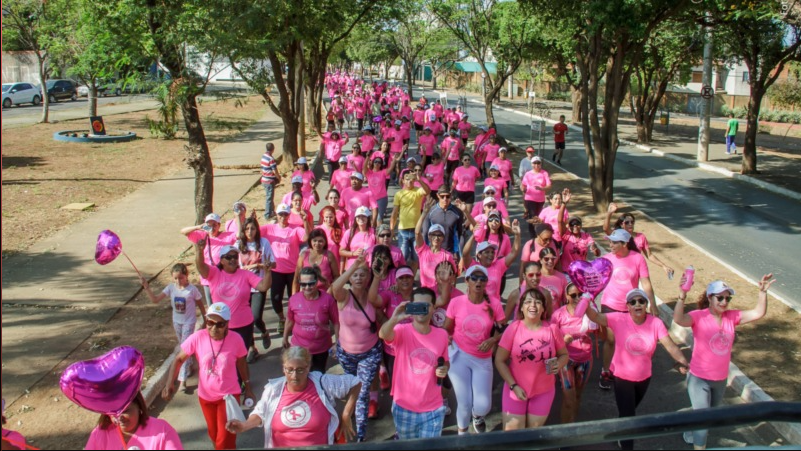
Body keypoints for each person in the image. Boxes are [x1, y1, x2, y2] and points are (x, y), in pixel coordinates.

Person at [674, 274, 775, 450]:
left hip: (720, 380)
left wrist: (762, 293)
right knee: (704, 422)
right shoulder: (699, 316)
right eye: (719, 297)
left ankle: (689, 431)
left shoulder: (732, 317)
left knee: (709, 418)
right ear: (710, 298)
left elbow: (758, 313)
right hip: (699, 379)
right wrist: (682, 295)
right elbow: (678, 319)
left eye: (727, 298)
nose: (724, 301)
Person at [583, 289, 689, 451]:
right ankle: (626, 444)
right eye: (633, 302)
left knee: (629, 410)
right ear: (628, 306)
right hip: (622, 377)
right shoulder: (618, 319)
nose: (637, 304)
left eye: (641, 301)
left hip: (644, 377)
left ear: (646, 304)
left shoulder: (655, 323)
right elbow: (595, 317)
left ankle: (622, 427)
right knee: (629, 416)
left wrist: (682, 361)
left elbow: (669, 345)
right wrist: (586, 300)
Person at [225, 346, 361, 447]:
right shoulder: (273, 390)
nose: (294, 375)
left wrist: (346, 414)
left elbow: (356, 383)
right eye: (289, 370)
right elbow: (260, 414)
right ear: (283, 368)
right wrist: (243, 426)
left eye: (300, 370)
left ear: (308, 367)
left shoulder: (322, 383)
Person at [164, 303, 255, 450]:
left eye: (219, 324)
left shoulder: (236, 339)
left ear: (227, 324)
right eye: (210, 323)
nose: (214, 328)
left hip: (229, 397)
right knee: (214, 435)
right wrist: (169, 383)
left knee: (224, 438)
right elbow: (179, 359)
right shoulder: (198, 337)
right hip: (206, 397)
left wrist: (248, 387)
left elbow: (242, 365)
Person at [379, 287, 450, 439]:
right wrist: (394, 318)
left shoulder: (442, 335)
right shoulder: (401, 330)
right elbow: (383, 334)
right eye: (417, 305)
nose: (422, 310)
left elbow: (445, 362)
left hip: (434, 409)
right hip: (404, 408)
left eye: (426, 306)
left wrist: (444, 369)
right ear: (411, 306)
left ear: (433, 308)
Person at [444, 265, 507, 435]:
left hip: (482, 358)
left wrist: (492, 340)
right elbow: (446, 328)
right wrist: (447, 337)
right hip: (459, 356)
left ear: (486, 282)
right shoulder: (456, 302)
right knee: (463, 403)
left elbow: (503, 329)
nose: (478, 282)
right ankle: (462, 435)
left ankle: (477, 416)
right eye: (474, 278)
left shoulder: (493, 304)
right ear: (467, 281)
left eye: (482, 279)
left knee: (483, 405)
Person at [495, 288, 568, 431]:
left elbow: (564, 355)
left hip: (543, 391)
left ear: (543, 309)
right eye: (528, 301)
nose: (533, 305)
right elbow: (499, 360)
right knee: (513, 432)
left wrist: (558, 365)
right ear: (521, 307)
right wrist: (513, 386)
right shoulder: (513, 328)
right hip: (516, 389)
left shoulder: (552, 329)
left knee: (532, 433)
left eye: (537, 302)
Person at [331, 255, 384, 442]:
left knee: (362, 392)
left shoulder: (371, 298)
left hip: (369, 353)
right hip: (346, 354)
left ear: (368, 278)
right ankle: (353, 411)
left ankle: (360, 437)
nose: (359, 278)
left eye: (363, 275)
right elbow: (334, 288)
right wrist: (353, 267)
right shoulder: (344, 296)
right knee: (352, 387)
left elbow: (383, 318)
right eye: (355, 275)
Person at [598, 228, 656, 390]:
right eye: (609, 241)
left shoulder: (637, 259)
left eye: (614, 242)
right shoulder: (607, 259)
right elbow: (595, 278)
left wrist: (653, 304)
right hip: (610, 305)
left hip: (631, 308)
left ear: (624, 244)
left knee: (626, 342)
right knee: (610, 340)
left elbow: (646, 283)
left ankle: (624, 372)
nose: (610, 245)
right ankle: (605, 371)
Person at [140, 263, 206, 391]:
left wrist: (205, 318)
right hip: (177, 322)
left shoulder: (192, 290)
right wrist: (146, 287)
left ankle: (183, 379)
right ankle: (190, 365)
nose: (178, 281)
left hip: (189, 322)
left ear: (186, 276)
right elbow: (155, 300)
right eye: (175, 278)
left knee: (183, 349)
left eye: (181, 278)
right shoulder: (171, 288)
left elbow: (200, 304)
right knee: (185, 347)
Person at [261, 204, 310, 337]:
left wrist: (305, 221)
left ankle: (292, 320)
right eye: (280, 214)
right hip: (276, 270)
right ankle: (282, 319)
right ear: (276, 215)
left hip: (293, 271)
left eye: (285, 214)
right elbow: (252, 233)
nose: (283, 217)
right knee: (275, 297)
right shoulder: (269, 228)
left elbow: (306, 238)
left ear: (289, 215)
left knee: (293, 298)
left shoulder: (295, 229)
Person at [551, 283, 595, 424]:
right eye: (573, 295)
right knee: (569, 400)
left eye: (580, 295)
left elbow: (604, 335)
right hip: (566, 361)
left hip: (585, 360)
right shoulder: (558, 315)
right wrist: (563, 341)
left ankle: (573, 427)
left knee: (577, 396)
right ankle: (564, 433)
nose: (577, 298)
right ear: (566, 296)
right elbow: (550, 341)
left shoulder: (589, 312)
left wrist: (595, 317)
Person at [284, 268, 340, 373]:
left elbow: (336, 322)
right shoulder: (293, 299)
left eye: (311, 284)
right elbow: (290, 320)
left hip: (321, 348)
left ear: (317, 281)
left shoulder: (328, 300)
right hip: (299, 348)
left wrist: (337, 343)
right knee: (301, 376)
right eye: (303, 284)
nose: (307, 287)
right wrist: (285, 337)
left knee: (318, 377)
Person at [86, 392, 182, 450]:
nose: (119, 417)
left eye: (126, 411)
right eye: (113, 412)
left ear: (139, 407)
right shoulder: (99, 434)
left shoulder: (162, 430)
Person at [604, 203, 674, 279]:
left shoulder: (641, 237)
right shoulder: (617, 235)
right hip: (619, 269)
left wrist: (663, 266)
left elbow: (649, 255)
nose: (630, 224)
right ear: (621, 224)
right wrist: (609, 213)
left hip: (635, 271)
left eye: (632, 222)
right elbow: (606, 229)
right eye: (627, 222)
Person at [181, 213, 237, 306]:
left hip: (223, 275)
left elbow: (239, 235)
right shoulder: (202, 235)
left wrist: (238, 217)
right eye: (209, 225)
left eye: (214, 225)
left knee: (227, 302)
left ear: (219, 225)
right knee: (212, 304)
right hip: (208, 276)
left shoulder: (227, 236)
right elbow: (183, 231)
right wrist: (198, 227)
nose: (212, 227)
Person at [460, 221, 522, 304]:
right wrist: (474, 236)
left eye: (492, 252)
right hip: (474, 308)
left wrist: (517, 235)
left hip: (493, 309)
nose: (491, 254)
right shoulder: (473, 266)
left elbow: (514, 253)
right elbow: (465, 254)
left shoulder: (499, 265)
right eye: (487, 252)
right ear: (479, 255)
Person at [391, 169, 431, 267]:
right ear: (403, 181)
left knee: (415, 257)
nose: (409, 181)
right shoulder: (399, 194)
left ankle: (411, 279)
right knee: (403, 257)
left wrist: (419, 180)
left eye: (411, 179)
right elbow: (395, 212)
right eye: (407, 179)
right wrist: (392, 229)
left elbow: (428, 191)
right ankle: (401, 277)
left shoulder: (418, 191)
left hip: (416, 230)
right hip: (402, 230)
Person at [415, 199, 457, 289]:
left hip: (441, 292)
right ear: (429, 237)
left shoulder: (448, 256)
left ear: (443, 238)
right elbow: (417, 233)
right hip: (426, 292)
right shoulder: (423, 250)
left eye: (439, 235)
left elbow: (453, 276)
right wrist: (424, 213)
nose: (436, 238)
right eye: (433, 234)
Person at [557, 190, 599, 269]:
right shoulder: (566, 235)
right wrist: (564, 203)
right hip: (567, 271)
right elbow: (559, 221)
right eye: (572, 224)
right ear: (569, 226)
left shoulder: (586, 236)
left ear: (581, 226)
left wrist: (595, 249)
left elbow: (596, 252)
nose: (575, 226)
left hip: (581, 270)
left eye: (577, 224)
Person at [421, 186, 468, 256]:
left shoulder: (457, 212)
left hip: (451, 253)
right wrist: (425, 253)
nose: (445, 199)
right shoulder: (430, 212)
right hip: (434, 252)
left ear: (451, 195)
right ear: (437, 195)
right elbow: (425, 234)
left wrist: (461, 256)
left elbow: (460, 235)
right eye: (442, 196)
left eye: (447, 196)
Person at [294, 229, 340, 293]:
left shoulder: (329, 255)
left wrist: (331, 289)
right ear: (310, 241)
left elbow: (336, 276)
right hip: (306, 294)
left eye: (320, 241)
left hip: (325, 294)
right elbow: (296, 279)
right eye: (314, 241)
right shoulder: (304, 255)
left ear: (325, 242)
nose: (317, 244)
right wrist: (293, 298)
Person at [520, 156, 551, 237]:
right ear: (531, 164)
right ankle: (534, 235)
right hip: (530, 199)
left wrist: (542, 188)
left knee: (539, 217)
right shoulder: (528, 174)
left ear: (540, 164)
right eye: (534, 163)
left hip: (540, 200)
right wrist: (523, 188)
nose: (536, 165)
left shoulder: (544, 173)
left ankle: (537, 232)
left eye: (538, 163)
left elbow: (549, 185)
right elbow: (523, 184)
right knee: (533, 216)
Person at [340, 206, 376, 271]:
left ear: (368, 218)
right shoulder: (349, 232)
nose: (361, 218)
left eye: (364, 216)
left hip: (368, 269)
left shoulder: (374, 232)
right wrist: (353, 253)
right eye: (358, 216)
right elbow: (341, 251)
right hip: (352, 270)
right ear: (355, 218)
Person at [260, 143, 281, 219]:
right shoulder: (271, 159)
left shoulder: (263, 156)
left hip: (264, 179)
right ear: (273, 149)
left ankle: (272, 211)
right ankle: (267, 214)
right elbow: (274, 170)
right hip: (269, 181)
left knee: (270, 197)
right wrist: (278, 177)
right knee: (269, 198)